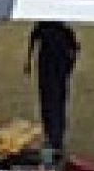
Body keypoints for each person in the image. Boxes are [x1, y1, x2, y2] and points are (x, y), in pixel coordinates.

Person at [24, 21, 79, 156]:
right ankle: (52, 138)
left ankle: (55, 140)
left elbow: (75, 49)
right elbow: (33, 37)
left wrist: (68, 67)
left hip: (55, 70)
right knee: (50, 103)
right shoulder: (50, 27)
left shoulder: (59, 30)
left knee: (55, 104)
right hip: (49, 70)